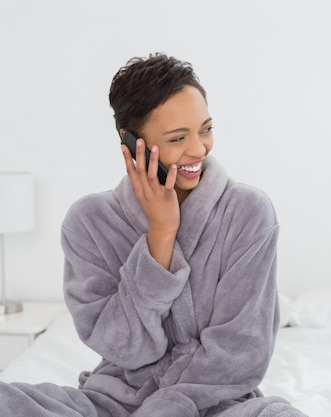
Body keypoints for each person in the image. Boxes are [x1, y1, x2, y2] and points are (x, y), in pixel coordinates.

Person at [0, 53, 307, 417]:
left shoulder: (248, 212)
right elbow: (126, 349)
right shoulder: (90, 222)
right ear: (129, 141)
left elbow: (240, 355)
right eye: (178, 137)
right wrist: (160, 234)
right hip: (110, 403)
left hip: (216, 404)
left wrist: (164, 409)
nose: (199, 150)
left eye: (205, 129)